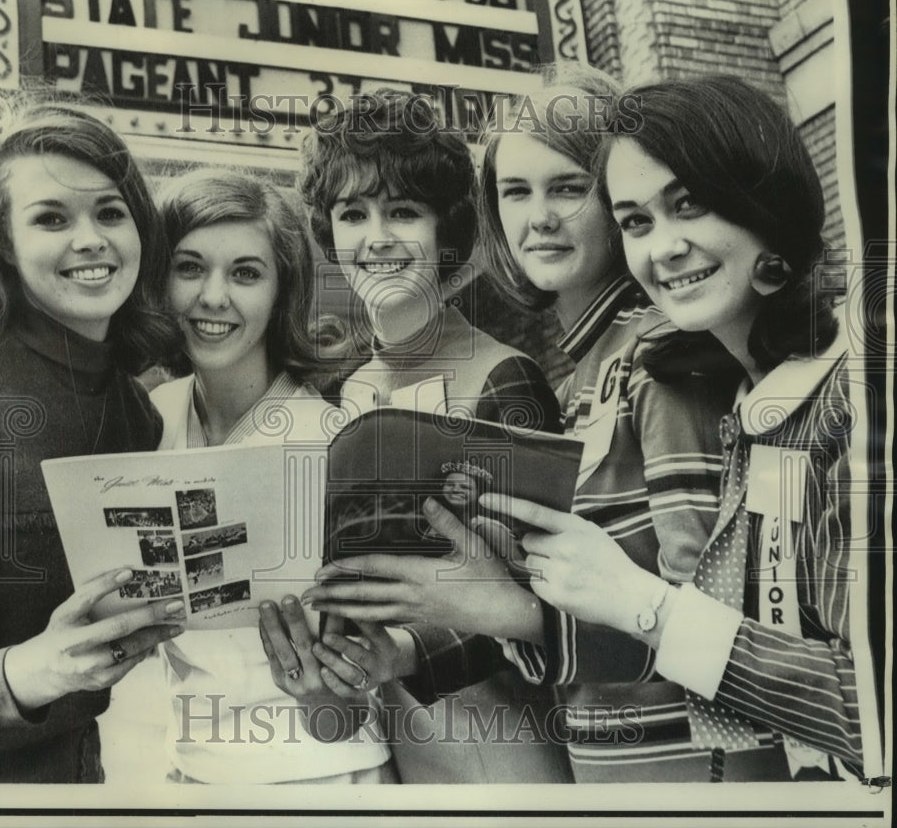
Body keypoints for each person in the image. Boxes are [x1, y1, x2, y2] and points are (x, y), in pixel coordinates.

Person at [303, 67, 739, 782]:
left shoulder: (662, 357)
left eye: (568, 187)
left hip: (648, 768)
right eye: (516, 191)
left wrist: (501, 614)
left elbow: (705, 621)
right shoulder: (583, 376)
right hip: (562, 754)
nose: (539, 217)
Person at [482, 74, 867, 781]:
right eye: (637, 221)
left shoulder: (853, 395)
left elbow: (870, 708)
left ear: (764, 198)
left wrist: (640, 603)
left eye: (689, 205)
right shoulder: (754, 403)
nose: (665, 247)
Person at [288, 88, 569, 784]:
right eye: (353, 214)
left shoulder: (504, 376)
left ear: (446, 232)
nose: (376, 236)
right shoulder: (346, 393)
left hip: (505, 745)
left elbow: (547, 598)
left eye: (402, 212)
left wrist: (412, 650)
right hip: (397, 748)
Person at [0, 101, 185, 783]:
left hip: (80, 772)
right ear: (2, 241)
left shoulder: (136, 408)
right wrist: (40, 667)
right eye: (51, 218)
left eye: (109, 212)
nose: (91, 238)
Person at [142, 169, 396, 784]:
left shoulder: (336, 441)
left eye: (246, 273)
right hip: (194, 780)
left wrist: (324, 699)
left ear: (283, 291)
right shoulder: (147, 421)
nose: (214, 296)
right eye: (189, 267)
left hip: (326, 783)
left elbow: (363, 688)